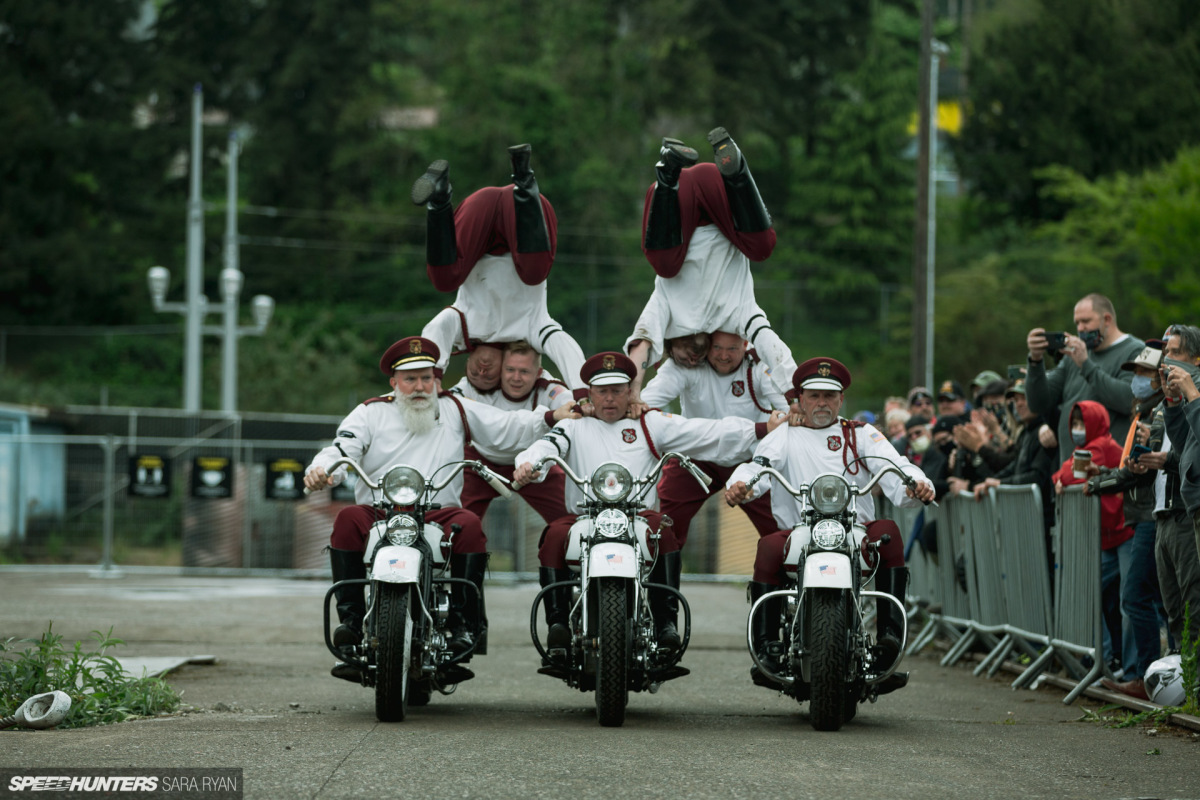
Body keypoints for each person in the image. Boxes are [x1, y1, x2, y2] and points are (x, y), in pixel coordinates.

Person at [304, 336, 580, 683]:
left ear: (437, 379)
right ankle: (351, 621)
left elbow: (506, 426)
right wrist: (322, 470)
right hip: (379, 510)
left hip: (437, 511)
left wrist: (551, 415)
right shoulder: (370, 412)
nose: (419, 387)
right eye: (410, 379)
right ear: (394, 382)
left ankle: (464, 625)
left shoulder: (456, 407)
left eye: (426, 378)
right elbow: (341, 447)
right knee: (346, 519)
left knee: (470, 525)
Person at [513, 351, 785, 653]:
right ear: (590, 393)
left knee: (665, 532)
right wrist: (529, 464)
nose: (610, 399)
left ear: (631, 391)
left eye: (617, 390)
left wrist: (760, 429)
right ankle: (558, 625)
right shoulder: (573, 425)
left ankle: (665, 623)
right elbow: (545, 446)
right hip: (584, 516)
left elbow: (704, 431)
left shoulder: (649, 423)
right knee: (553, 535)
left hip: (638, 517)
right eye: (602, 391)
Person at [723, 357, 935, 693]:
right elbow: (757, 467)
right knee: (768, 546)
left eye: (829, 396)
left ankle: (890, 638)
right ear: (800, 399)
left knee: (889, 532)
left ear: (841, 400)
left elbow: (898, 466)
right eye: (814, 396)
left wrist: (917, 483)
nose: (822, 403)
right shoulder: (784, 436)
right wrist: (740, 485)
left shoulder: (861, 434)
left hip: (855, 532)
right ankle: (766, 647)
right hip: (800, 532)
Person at [625, 129, 797, 402]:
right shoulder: (736, 316)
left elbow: (643, 344)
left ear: (669, 350)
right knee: (761, 247)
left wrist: (631, 393)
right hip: (722, 200)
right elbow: (766, 340)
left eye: (684, 361)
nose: (694, 361)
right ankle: (738, 172)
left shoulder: (664, 307)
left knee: (664, 265)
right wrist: (794, 392)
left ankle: (668, 174)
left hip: (679, 204)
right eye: (698, 361)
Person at [413, 144, 588, 395]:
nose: (482, 370)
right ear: (505, 368)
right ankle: (524, 179)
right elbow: (563, 347)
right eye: (489, 376)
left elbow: (436, 329)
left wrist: (433, 378)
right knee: (535, 273)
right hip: (521, 219)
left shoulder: (463, 327)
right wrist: (583, 394)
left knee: (443, 280)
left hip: (479, 215)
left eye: (474, 373)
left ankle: (439, 201)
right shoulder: (531, 331)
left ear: (467, 363)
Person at [640, 330, 788, 546]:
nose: (724, 356)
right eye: (717, 348)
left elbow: (789, 407)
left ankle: (781, 577)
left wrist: (784, 418)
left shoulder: (759, 363)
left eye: (732, 349)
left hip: (752, 458)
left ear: (745, 344)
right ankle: (660, 578)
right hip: (695, 457)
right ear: (706, 342)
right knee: (662, 527)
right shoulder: (687, 363)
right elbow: (645, 403)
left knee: (781, 529)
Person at [1090, 341, 1169, 699]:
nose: (1137, 379)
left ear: (1160, 377)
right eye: (1134, 372)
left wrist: (1098, 483)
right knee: (1151, 598)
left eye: (1144, 373)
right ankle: (1158, 676)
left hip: (1154, 516)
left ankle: (1148, 676)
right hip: (1144, 516)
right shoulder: (1144, 412)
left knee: (1138, 595)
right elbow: (1131, 467)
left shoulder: (1159, 414)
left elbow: (1138, 471)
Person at [450, 340, 575, 525]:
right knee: (456, 525)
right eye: (509, 370)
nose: (516, 378)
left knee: (572, 520)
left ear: (539, 373)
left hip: (531, 464)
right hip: (479, 463)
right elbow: (446, 403)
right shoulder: (476, 384)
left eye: (524, 371)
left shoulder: (548, 388)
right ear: (500, 368)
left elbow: (573, 407)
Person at [1051, 400, 1134, 677]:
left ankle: (1131, 668)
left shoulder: (1102, 446)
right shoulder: (1083, 449)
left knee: (1129, 599)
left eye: (1081, 423)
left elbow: (1069, 474)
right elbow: (1064, 473)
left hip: (1123, 532)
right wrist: (1062, 477)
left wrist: (1063, 477)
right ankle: (1105, 657)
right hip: (1106, 537)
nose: (1077, 429)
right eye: (1074, 424)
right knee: (1088, 593)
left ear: (1095, 422)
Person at [1026, 293, 1144, 464]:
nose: (1080, 328)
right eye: (1077, 323)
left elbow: (1128, 400)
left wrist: (1086, 365)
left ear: (1107, 320)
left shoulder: (1134, 350)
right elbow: (1039, 403)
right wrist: (1035, 361)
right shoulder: (1072, 356)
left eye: (1086, 321)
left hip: (1109, 475)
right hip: (1069, 474)